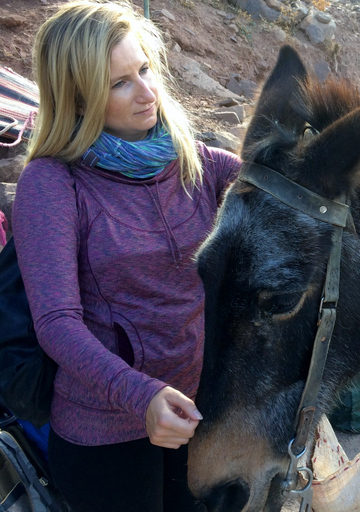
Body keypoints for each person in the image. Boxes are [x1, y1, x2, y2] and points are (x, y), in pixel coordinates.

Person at [12, 2, 242, 511]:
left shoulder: (196, 161)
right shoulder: (52, 183)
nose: (146, 93)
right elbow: (57, 324)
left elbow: (286, 194)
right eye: (119, 83)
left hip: (197, 414)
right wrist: (142, 397)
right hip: (105, 438)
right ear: (77, 97)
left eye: (144, 70)